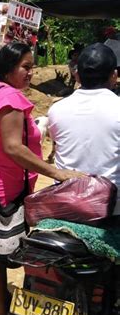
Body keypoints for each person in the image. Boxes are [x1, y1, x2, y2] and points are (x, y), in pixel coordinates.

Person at [0, 42, 84, 315]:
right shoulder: (8, 97)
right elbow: (12, 147)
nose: (31, 73)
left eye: (32, 67)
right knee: (3, 251)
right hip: (4, 185)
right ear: (8, 67)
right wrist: (56, 173)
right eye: (26, 67)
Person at [48, 43, 120, 215]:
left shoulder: (56, 110)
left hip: (66, 202)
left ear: (77, 75)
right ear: (114, 76)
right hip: (112, 208)